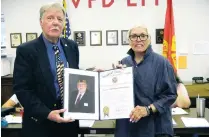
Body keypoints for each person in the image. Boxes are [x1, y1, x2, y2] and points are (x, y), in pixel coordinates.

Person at [13, 3, 79, 137]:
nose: (55, 22)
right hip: (40, 123)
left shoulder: (71, 46)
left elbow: (74, 76)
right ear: (41, 22)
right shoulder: (26, 50)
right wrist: (47, 113)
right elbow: (22, 89)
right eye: (50, 18)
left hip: (68, 122)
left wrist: (94, 74)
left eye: (60, 19)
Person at [114, 25, 177, 137]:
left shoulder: (162, 63)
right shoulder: (124, 63)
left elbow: (170, 95)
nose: (138, 39)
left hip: (155, 127)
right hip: (129, 127)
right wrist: (109, 76)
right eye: (134, 36)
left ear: (149, 39)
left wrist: (148, 109)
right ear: (129, 40)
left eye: (143, 36)